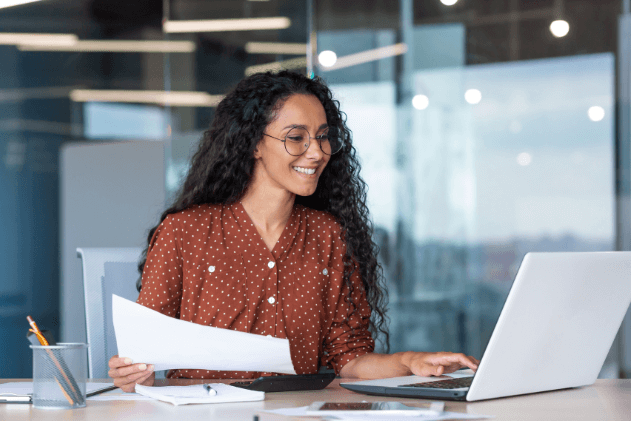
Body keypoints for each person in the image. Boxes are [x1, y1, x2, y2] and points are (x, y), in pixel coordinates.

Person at [108, 70, 479, 392]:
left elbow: (349, 359)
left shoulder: (328, 235)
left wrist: (411, 362)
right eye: (296, 137)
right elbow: (144, 353)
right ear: (254, 143)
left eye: (321, 137)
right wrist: (134, 373)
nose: (316, 152)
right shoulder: (184, 232)